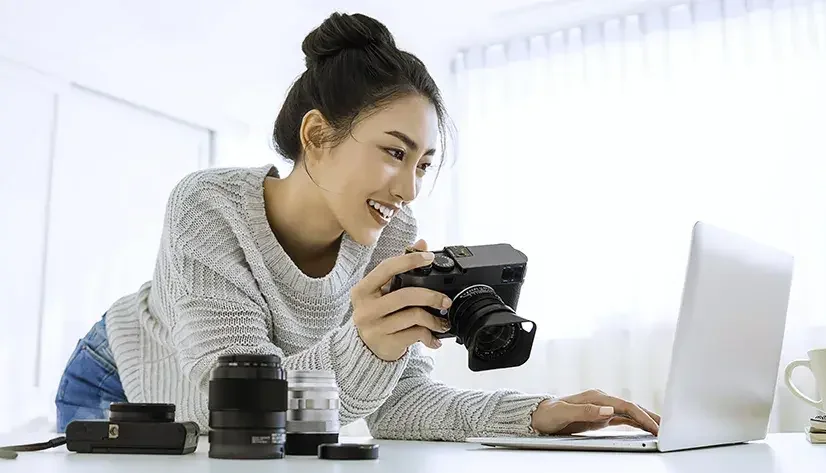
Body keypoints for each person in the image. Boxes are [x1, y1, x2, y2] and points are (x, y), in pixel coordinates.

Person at [54, 11, 660, 440]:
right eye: (394, 153)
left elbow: (400, 405)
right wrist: (364, 346)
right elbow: (231, 407)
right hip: (125, 383)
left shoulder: (392, 235)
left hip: (254, 414)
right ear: (316, 138)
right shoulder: (207, 209)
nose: (409, 188)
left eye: (423, 165)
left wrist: (534, 414)